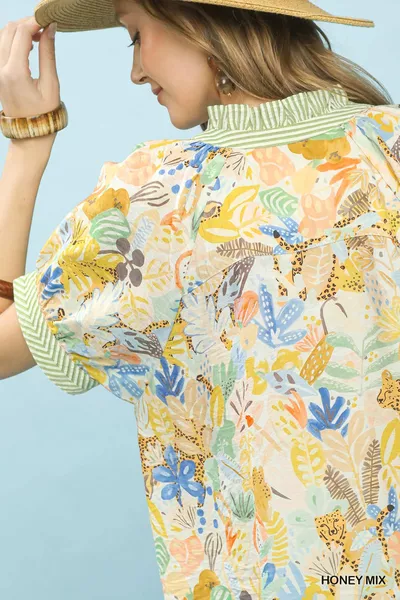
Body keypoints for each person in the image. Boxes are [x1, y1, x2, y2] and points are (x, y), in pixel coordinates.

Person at [0, 0, 399, 598]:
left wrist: (27, 144)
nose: (135, 71)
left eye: (135, 35)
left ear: (197, 21)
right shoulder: (390, 149)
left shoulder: (163, 201)